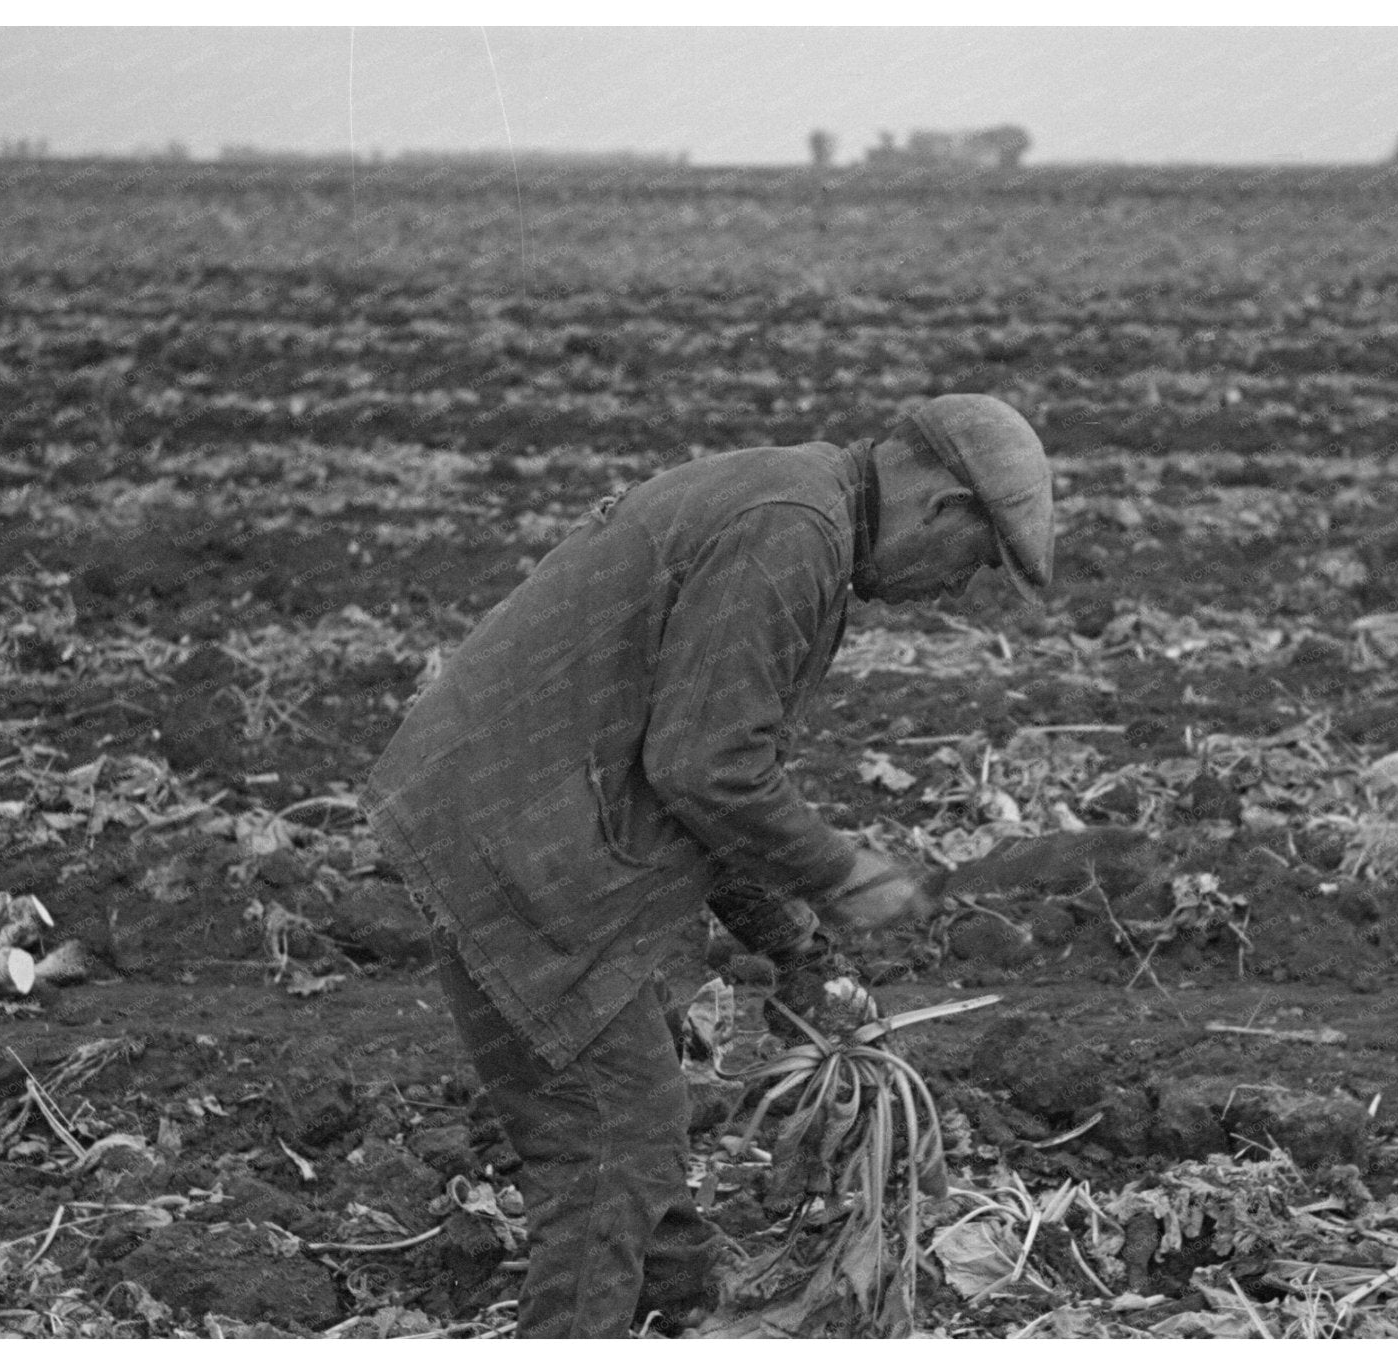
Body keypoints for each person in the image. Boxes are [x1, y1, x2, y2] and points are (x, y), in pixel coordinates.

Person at [362, 394, 1054, 1337]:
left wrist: (798, 949)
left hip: (528, 818)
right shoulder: (792, 532)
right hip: (522, 836)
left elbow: (698, 771)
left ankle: (675, 1304)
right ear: (942, 508)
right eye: (975, 562)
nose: (957, 589)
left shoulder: (797, 506)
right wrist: (844, 876)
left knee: (631, 1109)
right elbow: (705, 767)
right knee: (612, 1136)